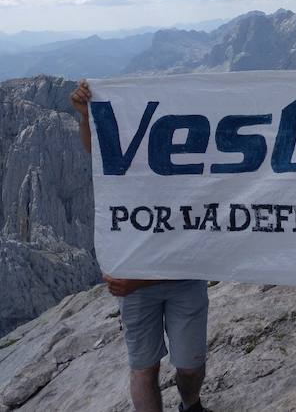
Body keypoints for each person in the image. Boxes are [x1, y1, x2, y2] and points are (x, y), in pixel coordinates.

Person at [71, 81, 210, 412]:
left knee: (190, 367)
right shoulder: (130, 163)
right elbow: (99, 150)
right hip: (135, 284)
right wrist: (87, 115)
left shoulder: (196, 166)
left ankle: (191, 405)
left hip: (182, 280)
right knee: (144, 367)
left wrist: (137, 281)